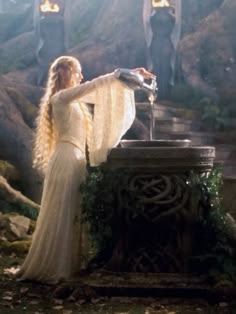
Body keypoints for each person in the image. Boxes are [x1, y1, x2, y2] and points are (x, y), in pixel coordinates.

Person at [16, 55, 155, 284]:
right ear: (65, 74)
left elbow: (105, 90)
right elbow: (96, 84)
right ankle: (57, 268)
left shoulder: (75, 100)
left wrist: (132, 75)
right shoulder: (61, 98)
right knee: (65, 211)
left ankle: (70, 265)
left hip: (76, 159)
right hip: (67, 159)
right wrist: (119, 72)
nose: (81, 75)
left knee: (74, 213)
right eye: (77, 71)